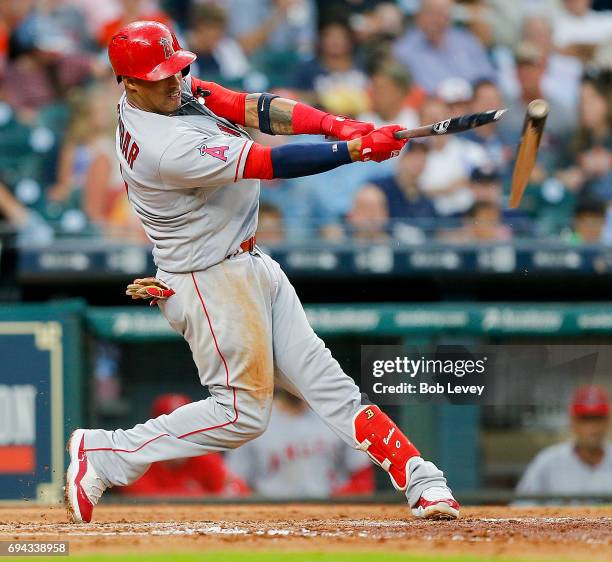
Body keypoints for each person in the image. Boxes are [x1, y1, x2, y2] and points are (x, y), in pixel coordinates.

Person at [64, 20, 460, 524]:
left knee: (327, 383)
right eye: (160, 75)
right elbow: (267, 162)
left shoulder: (160, 93)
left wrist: (339, 125)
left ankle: (420, 478)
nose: (174, 81)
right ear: (128, 83)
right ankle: (107, 453)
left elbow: (251, 107)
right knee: (241, 414)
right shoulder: (165, 147)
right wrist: (352, 151)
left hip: (245, 262)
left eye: (175, 70)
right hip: (208, 280)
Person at [227, 389, 374, 498]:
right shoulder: (251, 420)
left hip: (330, 515)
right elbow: (235, 484)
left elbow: (362, 477)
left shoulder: (338, 413)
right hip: (272, 517)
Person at [119, 393, 249, 497]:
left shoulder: (202, 455)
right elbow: (144, 498)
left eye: (184, 427)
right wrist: (199, 494)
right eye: (171, 430)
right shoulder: (139, 457)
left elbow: (238, 489)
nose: (179, 435)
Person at [516, 385, 612, 499]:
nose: (592, 427)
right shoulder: (548, 461)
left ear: (607, 421)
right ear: (572, 421)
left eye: (597, 418)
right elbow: (521, 507)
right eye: (584, 419)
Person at [392, 0, 495, 95]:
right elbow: (412, 92)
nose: (439, 20)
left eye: (444, 14)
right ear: (419, 16)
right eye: (433, 14)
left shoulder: (466, 41)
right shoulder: (403, 51)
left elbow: (487, 76)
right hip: (434, 108)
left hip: (473, 104)